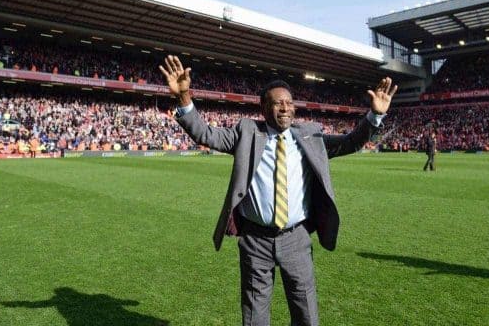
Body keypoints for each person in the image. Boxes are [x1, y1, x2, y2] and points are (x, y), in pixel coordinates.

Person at [159, 55, 397, 326]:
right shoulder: (246, 132)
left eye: (289, 102)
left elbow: (351, 142)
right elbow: (206, 134)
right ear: (264, 108)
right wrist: (184, 97)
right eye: (277, 103)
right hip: (255, 240)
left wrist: (376, 114)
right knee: (254, 316)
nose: (285, 108)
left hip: (296, 238)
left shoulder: (310, 135)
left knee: (306, 313)